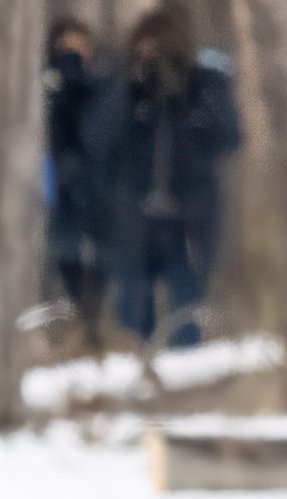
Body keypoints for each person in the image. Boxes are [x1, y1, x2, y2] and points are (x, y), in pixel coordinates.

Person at [86, 9, 242, 350]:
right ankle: (133, 378)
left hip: (190, 218)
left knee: (186, 310)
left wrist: (188, 92)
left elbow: (228, 137)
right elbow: (98, 139)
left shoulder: (204, 83)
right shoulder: (124, 83)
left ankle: (184, 378)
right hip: (133, 216)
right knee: (131, 308)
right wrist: (130, 86)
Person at [45, 17, 111, 335]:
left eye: (78, 45)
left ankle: (94, 319)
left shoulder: (100, 81)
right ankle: (77, 317)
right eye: (66, 46)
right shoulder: (47, 82)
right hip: (55, 178)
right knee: (64, 251)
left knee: (99, 253)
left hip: (95, 179)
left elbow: (101, 128)